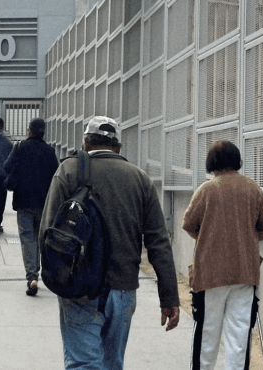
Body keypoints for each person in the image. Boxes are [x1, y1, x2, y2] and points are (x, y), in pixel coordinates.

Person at [40, 115, 181, 369]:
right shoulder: (140, 180)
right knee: (111, 363)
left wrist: (54, 275)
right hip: (123, 290)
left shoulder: (69, 171)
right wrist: (169, 297)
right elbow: (158, 242)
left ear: (85, 143)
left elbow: (47, 230)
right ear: (118, 147)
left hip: (80, 288)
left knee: (83, 363)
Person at [182, 140, 263, 370]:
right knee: (239, 336)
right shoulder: (252, 188)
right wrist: (249, 239)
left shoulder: (206, 190)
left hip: (210, 275)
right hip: (245, 273)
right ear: (237, 161)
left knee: (207, 334)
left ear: (211, 163)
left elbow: (188, 224)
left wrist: (207, 238)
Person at [3, 117, 59, 296]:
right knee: (41, 239)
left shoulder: (20, 147)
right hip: (44, 204)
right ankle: (42, 272)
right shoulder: (49, 151)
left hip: (24, 202)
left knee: (28, 239)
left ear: (29, 130)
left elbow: (7, 166)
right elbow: (56, 175)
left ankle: (32, 277)